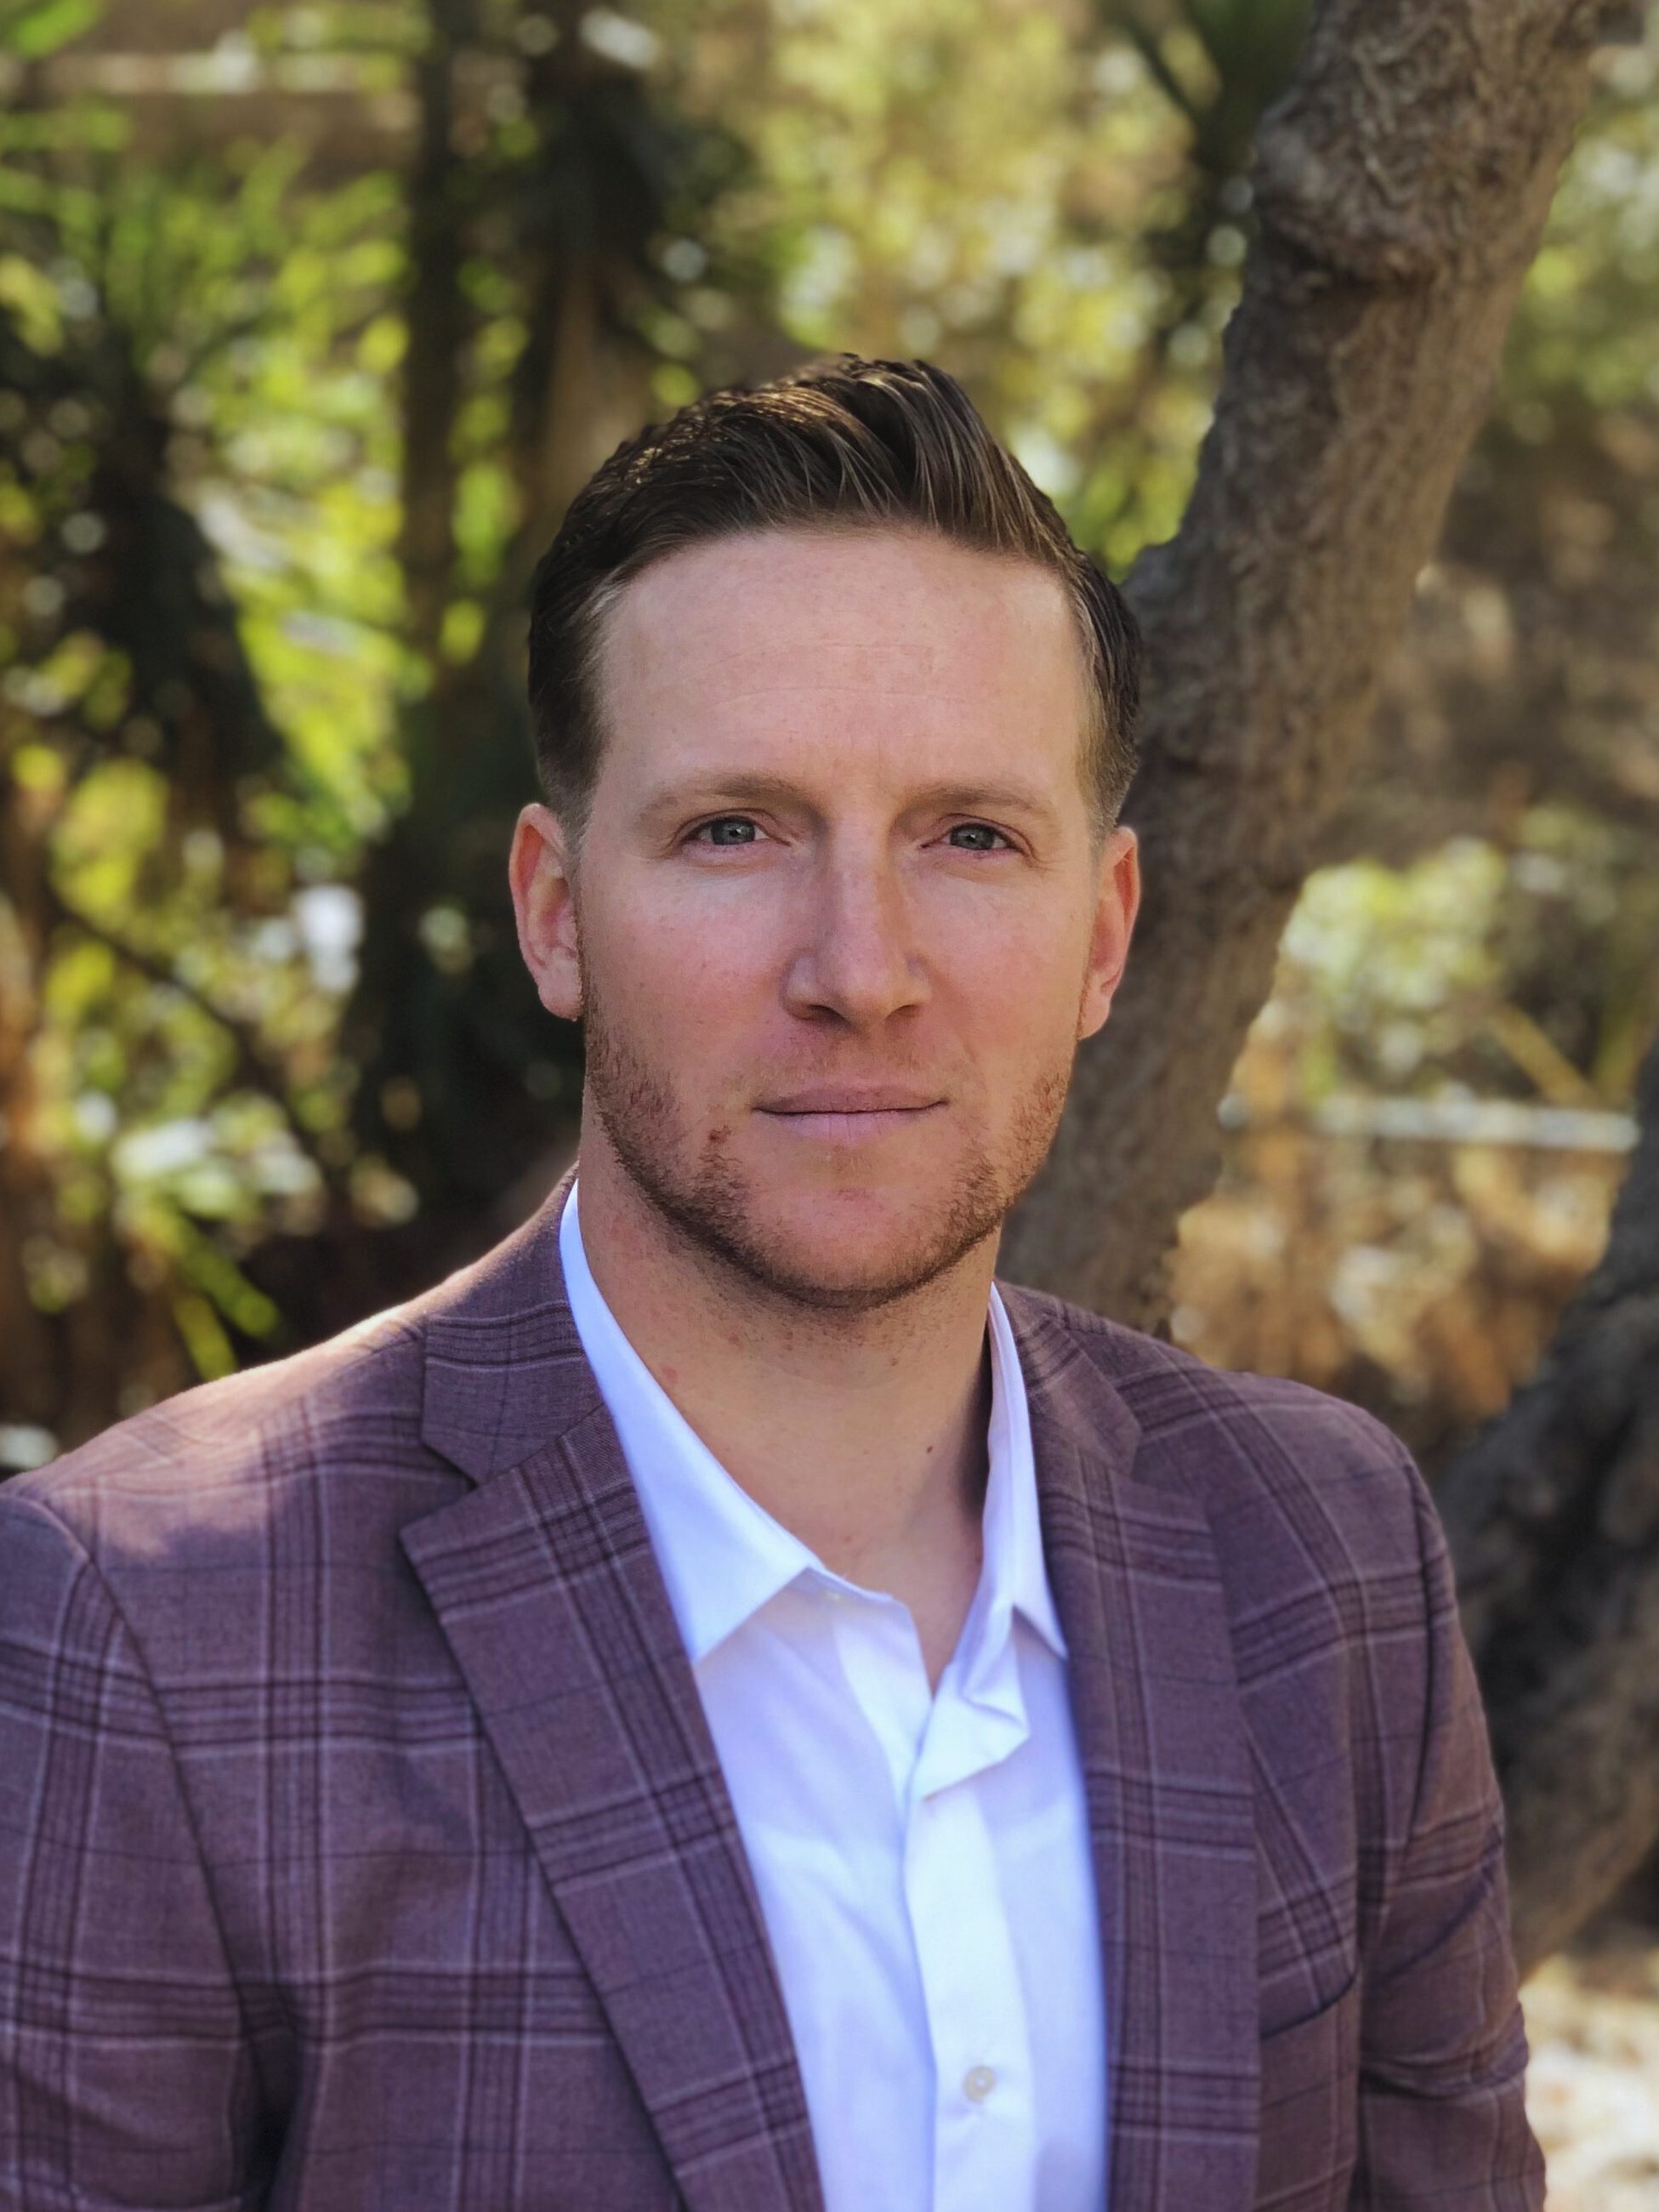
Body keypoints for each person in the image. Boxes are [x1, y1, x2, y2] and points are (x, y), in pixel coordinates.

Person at [0, 355, 1543, 2212]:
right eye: (735, 828)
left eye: (971, 836)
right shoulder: (151, 1625)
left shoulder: (1325, 1554)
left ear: (1105, 933)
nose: (860, 968)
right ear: (556, 912)